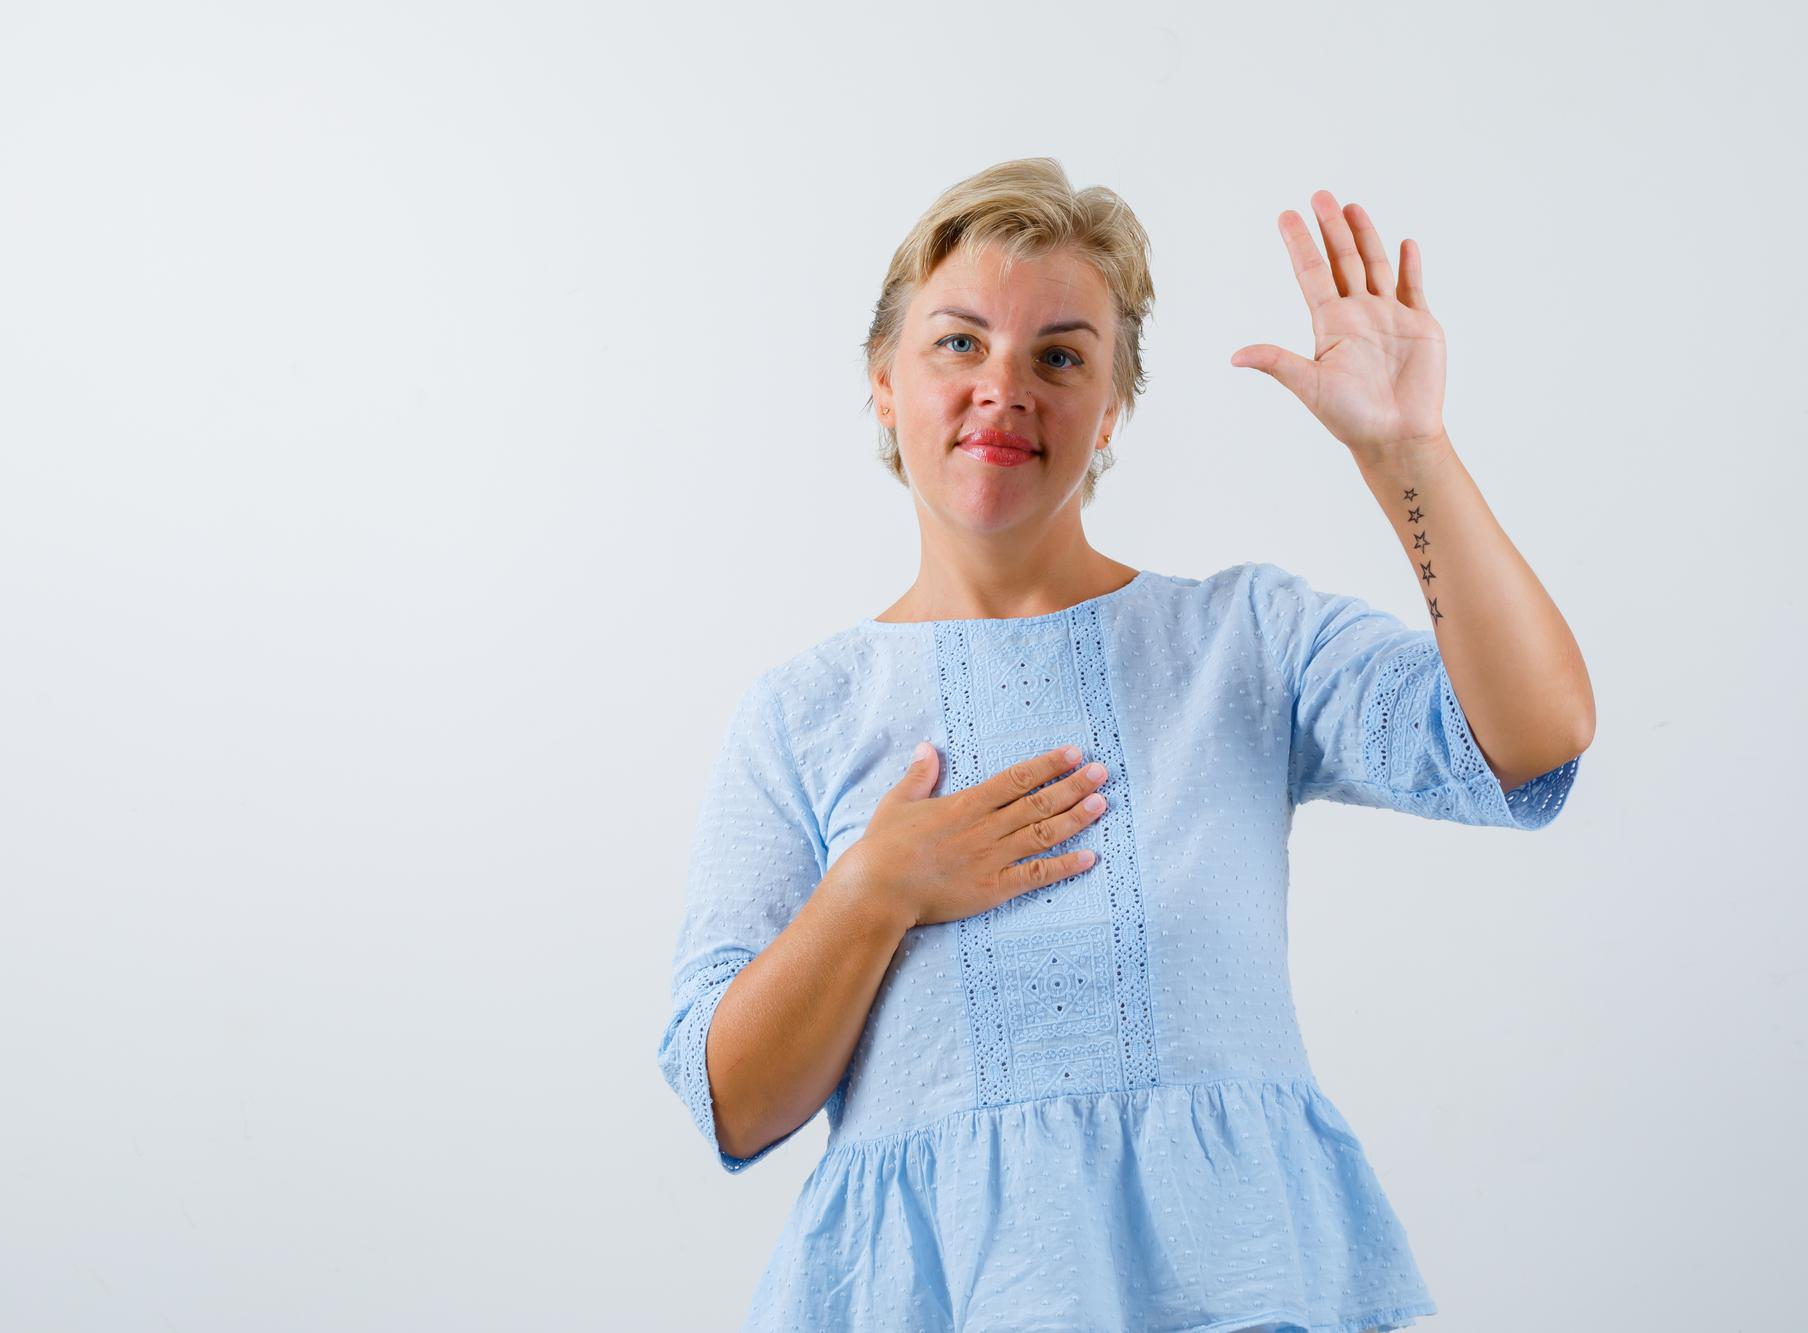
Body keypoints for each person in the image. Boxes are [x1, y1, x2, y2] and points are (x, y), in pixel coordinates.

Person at [655, 157, 1592, 1333]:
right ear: (882, 383)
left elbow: (1529, 735)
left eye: (1059, 354)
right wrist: (872, 891)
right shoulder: (800, 712)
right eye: (956, 343)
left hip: (1238, 1288)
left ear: (1112, 409)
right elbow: (731, 1102)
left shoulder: (1240, 641)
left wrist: (1408, 455)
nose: (1003, 388)